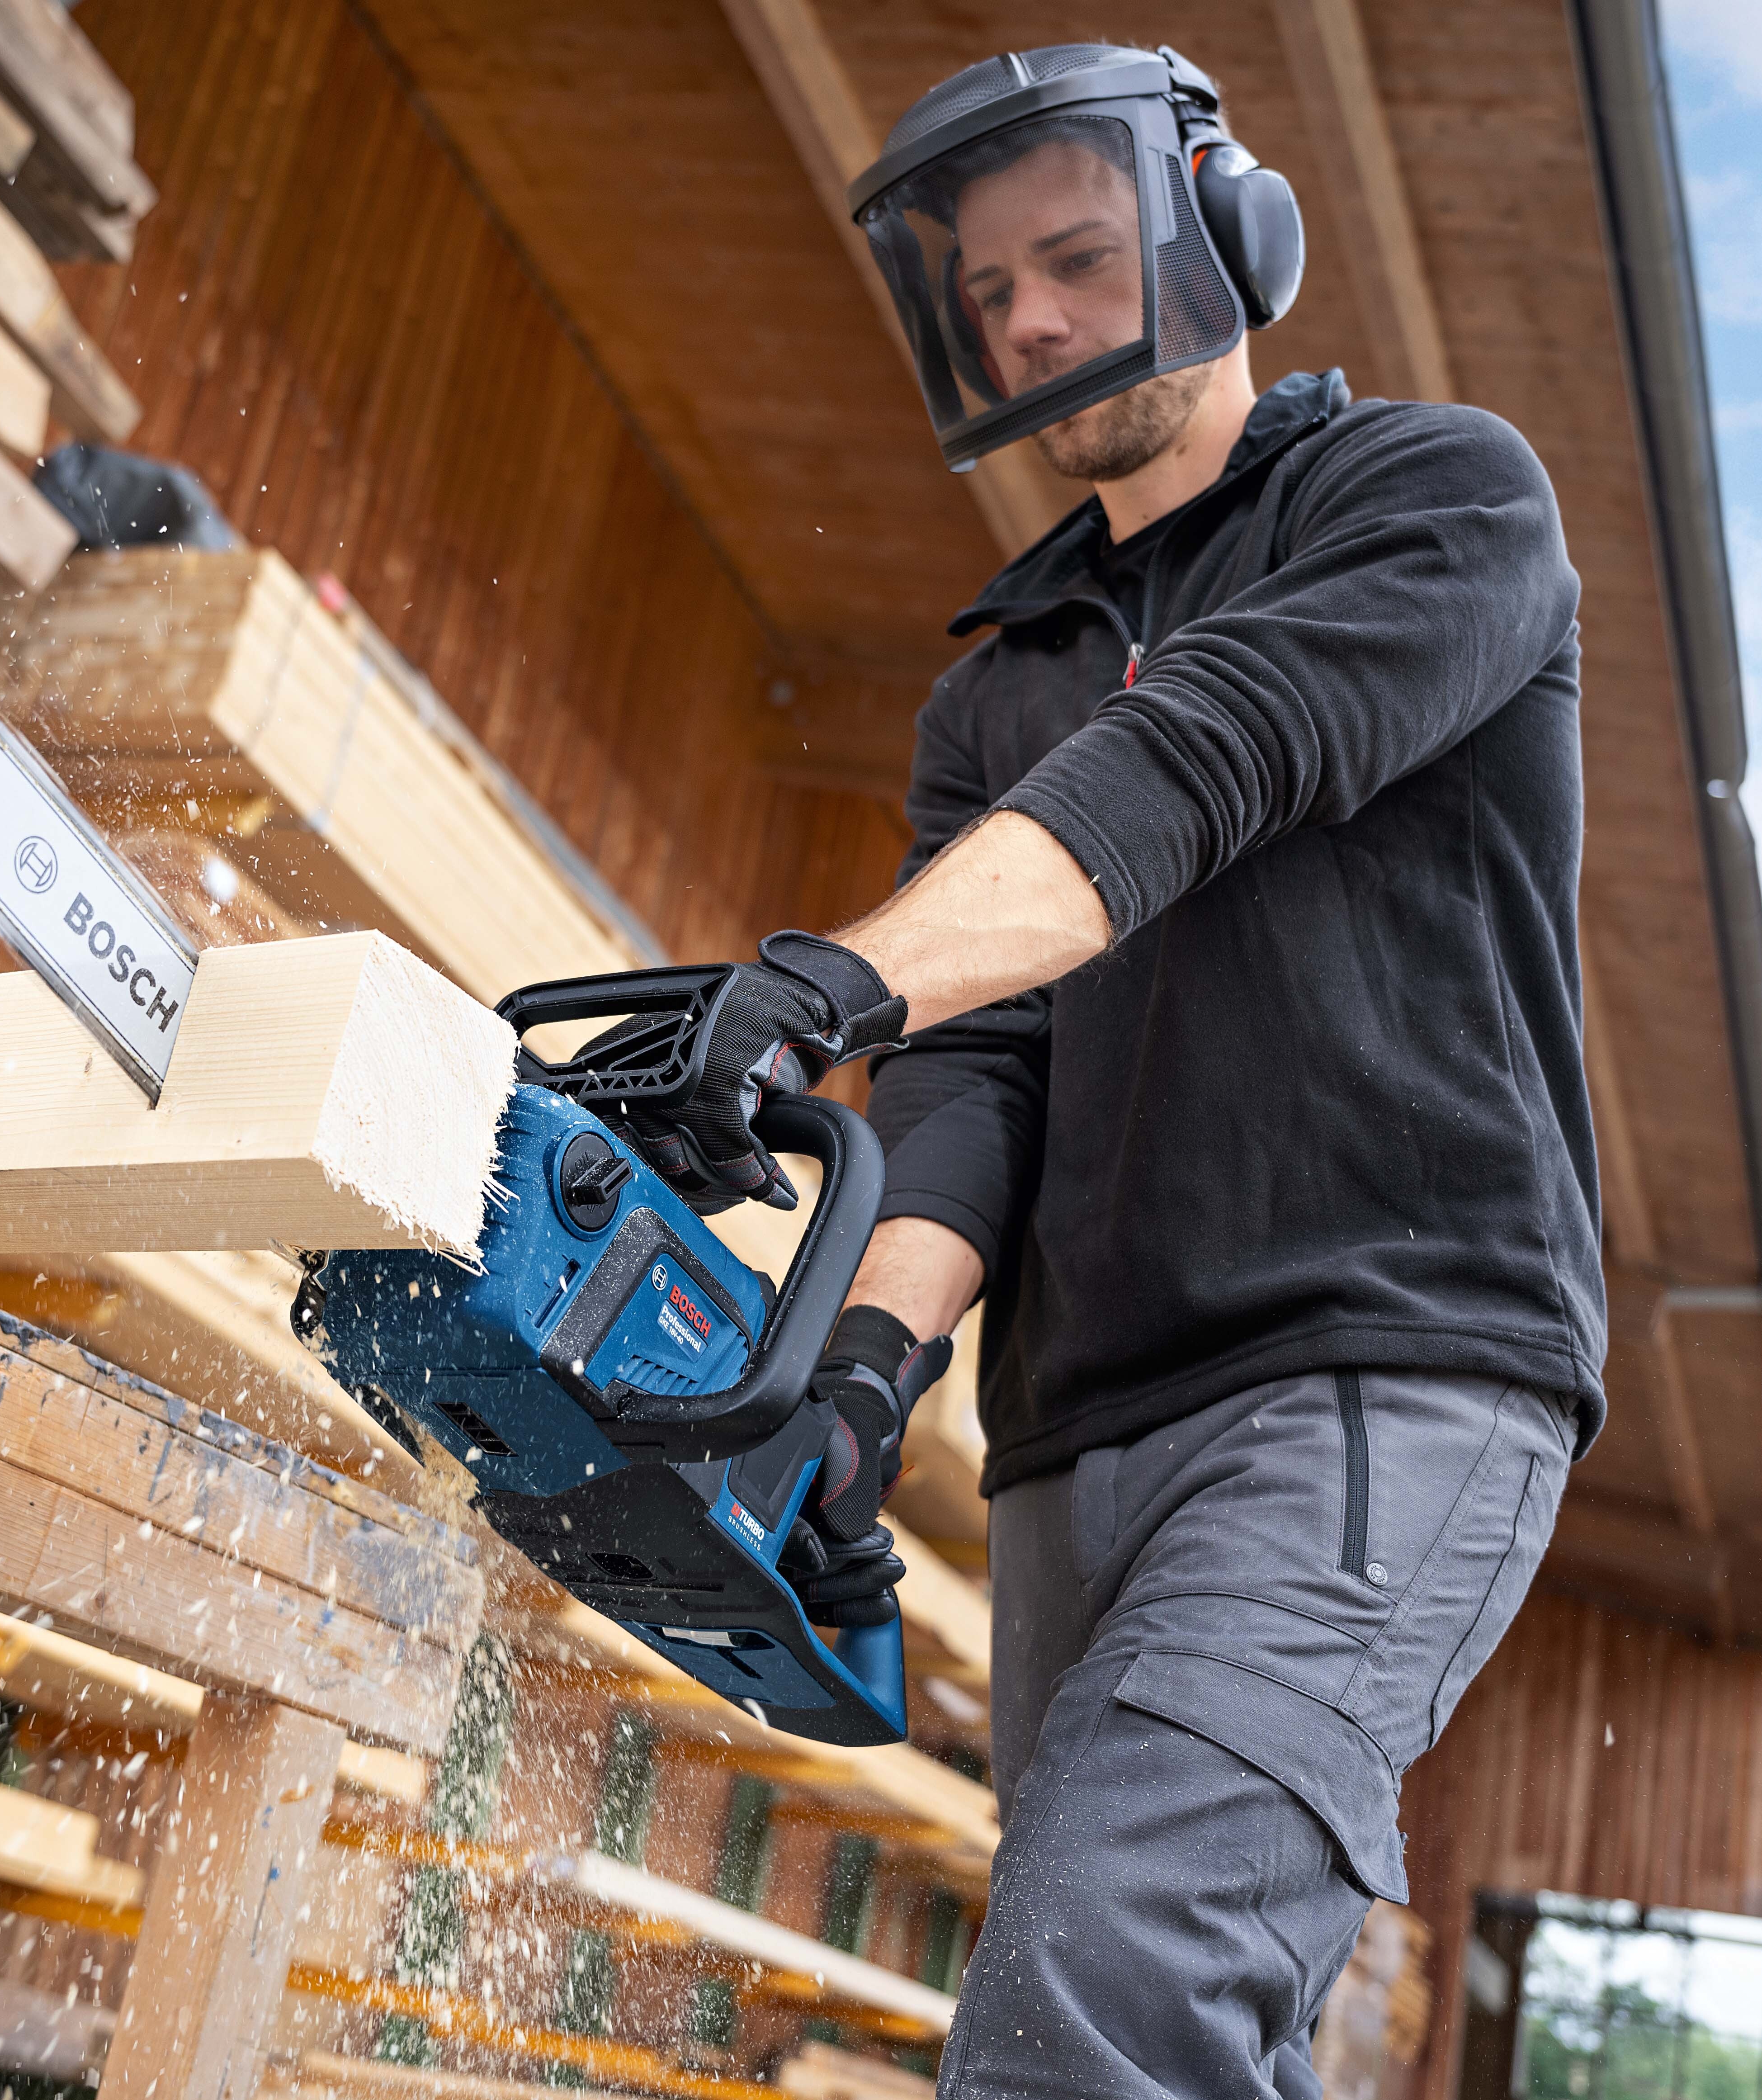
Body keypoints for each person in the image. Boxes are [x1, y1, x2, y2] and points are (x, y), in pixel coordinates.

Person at [604, 43, 1606, 2098]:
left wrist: (828, 986)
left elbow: (1206, 757)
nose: (1037, 319)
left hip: (1376, 1371)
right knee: (1162, 2007)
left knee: (1108, 1979)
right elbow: (983, 1082)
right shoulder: (998, 690)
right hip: (1081, 1441)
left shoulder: (1438, 498)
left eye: (1074, 257)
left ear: (1228, 232)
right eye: (993, 296)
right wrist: (858, 1382)